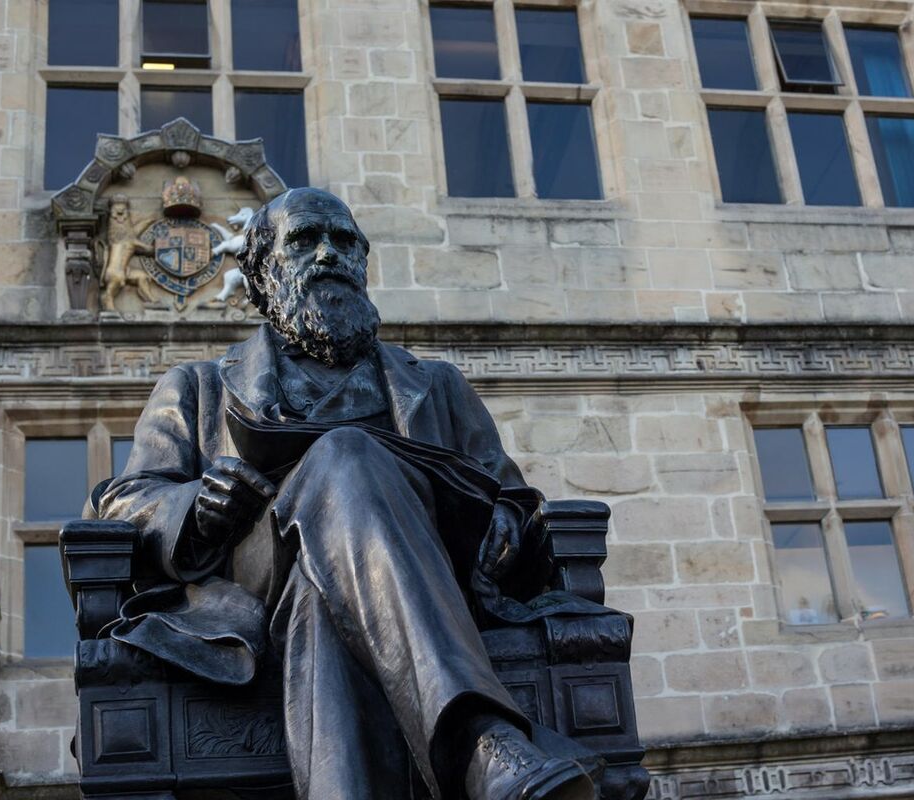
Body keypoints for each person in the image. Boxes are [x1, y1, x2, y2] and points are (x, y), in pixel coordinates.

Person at [99, 188, 595, 800]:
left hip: (392, 582)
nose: (328, 254)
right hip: (255, 576)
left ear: (362, 262)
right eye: (304, 240)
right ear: (261, 274)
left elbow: (510, 495)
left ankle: (449, 755)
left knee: (321, 593)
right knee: (345, 454)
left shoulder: (437, 385)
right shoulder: (198, 386)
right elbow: (126, 501)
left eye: (344, 241)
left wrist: (504, 523)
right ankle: (478, 737)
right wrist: (196, 508)